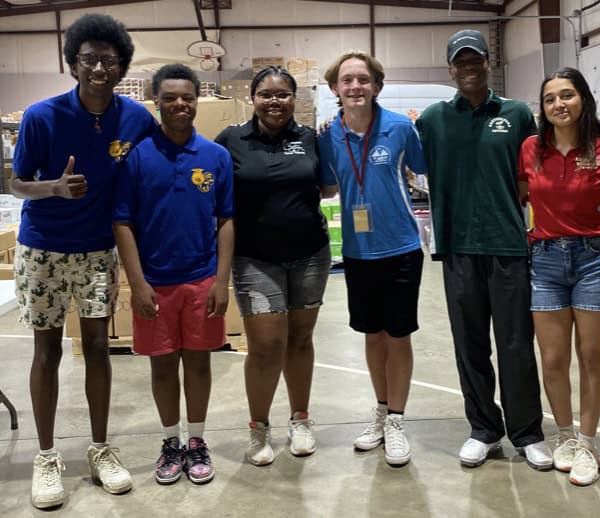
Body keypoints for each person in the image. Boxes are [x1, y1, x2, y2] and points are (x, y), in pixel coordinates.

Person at [10, 13, 156, 509]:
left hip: (98, 250)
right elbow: (15, 183)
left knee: (97, 347)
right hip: (43, 248)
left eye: (109, 60)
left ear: (121, 67)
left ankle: (99, 448)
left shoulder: (136, 118)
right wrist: (51, 188)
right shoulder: (41, 116)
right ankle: (46, 455)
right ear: (73, 64)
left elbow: (155, 168)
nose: (99, 67)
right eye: (89, 59)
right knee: (46, 351)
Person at [415, 29, 553, 470]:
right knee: (469, 343)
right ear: (451, 68)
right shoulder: (432, 120)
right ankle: (483, 429)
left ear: (488, 63)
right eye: (461, 61)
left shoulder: (514, 115)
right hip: (457, 247)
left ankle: (527, 433)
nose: (469, 67)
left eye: (476, 60)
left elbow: (537, 175)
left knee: (515, 343)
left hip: (508, 245)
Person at [113, 64, 234, 485]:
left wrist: (222, 279)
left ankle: (197, 441)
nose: (179, 104)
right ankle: (170, 443)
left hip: (201, 279)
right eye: (170, 98)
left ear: (196, 100)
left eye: (187, 97)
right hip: (155, 285)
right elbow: (122, 222)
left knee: (198, 364)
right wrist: (137, 282)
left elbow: (225, 220)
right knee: (163, 367)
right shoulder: (137, 158)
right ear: (157, 102)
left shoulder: (216, 157)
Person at [214, 67, 332, 466]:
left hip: (310, 256)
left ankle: (300, 418)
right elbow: (206, 187)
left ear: (294, 99)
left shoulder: (310, 139)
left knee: (300, 340)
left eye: (283, 94)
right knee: (265, 346)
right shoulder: (232, 140)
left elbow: (330, 185)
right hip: (254, 259)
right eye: (266, 94)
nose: (274, 101)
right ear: (253, 98)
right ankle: (258, 427)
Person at [317, 50, 427, 467]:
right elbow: (327, 188)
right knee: (371, 335)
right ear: (335, 89)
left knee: (398, 336)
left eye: (363, 80)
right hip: (358, 253)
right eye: (347, 80)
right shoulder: (328, 136)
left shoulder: (401, 129)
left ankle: (397, 419)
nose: (355, 87)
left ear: (376, 86)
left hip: (400, 249)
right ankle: (380, 412)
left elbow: (421, 171)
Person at [518, 67, 600, 485]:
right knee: (554, 359)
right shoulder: (530, 149)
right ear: (542, 108)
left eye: (567, 95)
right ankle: (564, 434)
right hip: (544, 260)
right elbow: (518, 196)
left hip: (595, 260)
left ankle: (588, 442)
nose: (559, 104)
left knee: (591, 357)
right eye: (549, 99)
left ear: (582, 99)